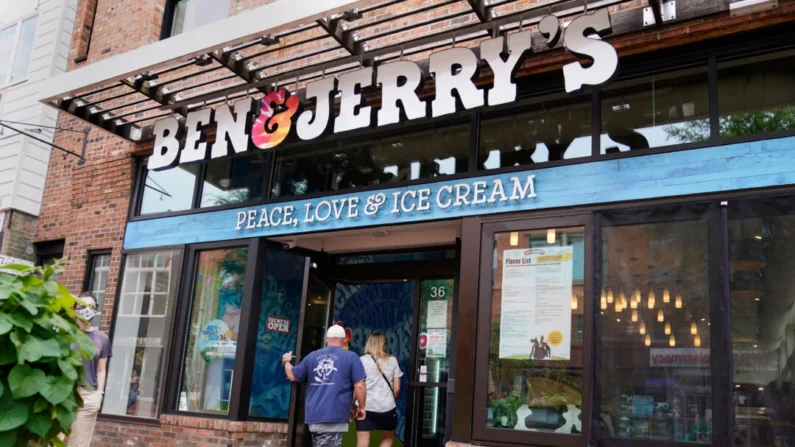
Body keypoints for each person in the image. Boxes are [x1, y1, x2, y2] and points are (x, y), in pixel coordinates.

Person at [283, 325, 367, 447]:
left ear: (326, 340)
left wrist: (286, 361)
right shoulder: (351, 357)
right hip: (334, 415)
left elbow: (293, 375)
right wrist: (362, 407)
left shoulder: (312, 356)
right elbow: (360, 386)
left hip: (314, 414)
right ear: (344, 340)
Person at [67, 292, 112, 447]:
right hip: (63, 393)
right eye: (82, 306)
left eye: (91, 306)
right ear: (75, 308)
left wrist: (99, 393)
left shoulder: (102, 339)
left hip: (87, 396)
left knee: (78, 444)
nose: (87, 310)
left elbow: (101, 369)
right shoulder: (65, 333)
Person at [357, 332, 403, 447]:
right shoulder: (392, 360)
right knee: (388, 438)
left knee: (363, 441)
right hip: (387, 407)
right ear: (384, 344)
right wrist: (391, 399)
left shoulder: (362, 360)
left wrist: (353, 404)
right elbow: (397, 388)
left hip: (366, 406)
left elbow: (358, 386)